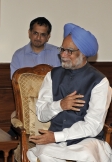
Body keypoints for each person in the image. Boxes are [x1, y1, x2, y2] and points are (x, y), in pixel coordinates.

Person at [27, 23, 112, 162]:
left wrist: (56, 136)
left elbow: (93, 126)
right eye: (62, 49)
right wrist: (60, 105)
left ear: (83, 54)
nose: (63, 55)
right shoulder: (52, 76)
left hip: (85, 141)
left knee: (86, 155)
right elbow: (41, 114)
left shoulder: (100, 82)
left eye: (69, 51)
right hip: (55, 142)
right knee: (45, 153)